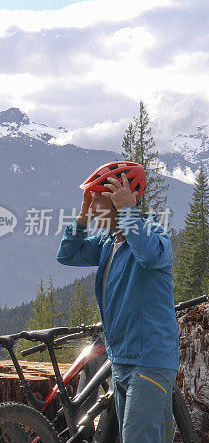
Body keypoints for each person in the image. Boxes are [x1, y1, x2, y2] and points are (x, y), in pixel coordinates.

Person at [57, 161, 178, 442]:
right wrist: (82, 219)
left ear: (119, 200)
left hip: (150, 361)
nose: (94, 207)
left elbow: (148, 255)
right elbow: (67, 255)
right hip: (121, 359)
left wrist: (127, 209)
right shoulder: (108, 242)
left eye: (99, 200)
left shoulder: (154, 236)